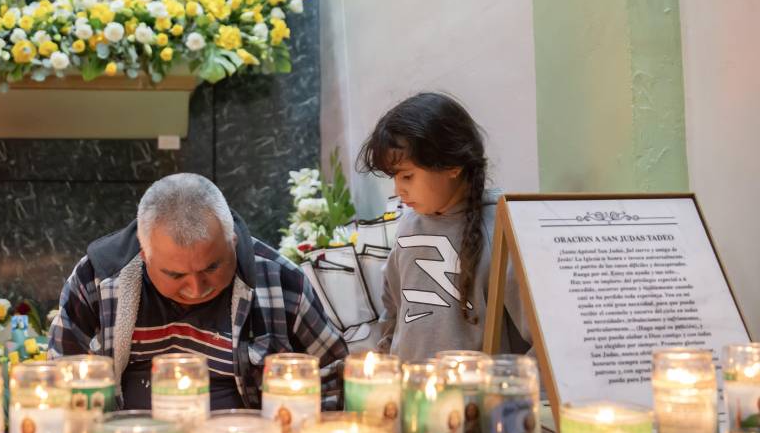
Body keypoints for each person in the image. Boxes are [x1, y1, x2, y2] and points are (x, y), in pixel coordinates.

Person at [48, 173, 348, 410]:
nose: (196, 289)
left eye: (211, 267)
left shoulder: (280, 281)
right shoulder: (96, 280)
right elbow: (59, 377)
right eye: (176, 274)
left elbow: (333, 373)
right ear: (144, 255)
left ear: (232, 240)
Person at [359, 92, 531, 361]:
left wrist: (506, 391)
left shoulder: (502, 228)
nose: (398, 189)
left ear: (452, 165)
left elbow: (542, 341)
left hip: (479, 401)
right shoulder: (408, 226)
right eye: (395, 177)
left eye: (407, 176)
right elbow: (393, 313)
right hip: (410, 398)